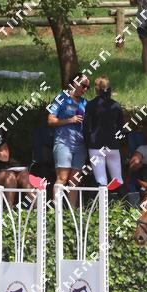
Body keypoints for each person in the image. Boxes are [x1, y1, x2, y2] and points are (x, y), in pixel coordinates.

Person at [47, 74, 89, 207]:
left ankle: (72, 212)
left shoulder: (85, 103)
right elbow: (50, 120)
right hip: (63, 143)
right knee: (62, 178)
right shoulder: (61, 98)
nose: (85, 89)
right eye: (83, 86)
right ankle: (56, 211)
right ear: (75, 83)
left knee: (74, 181)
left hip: (80, 145)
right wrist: (70, 120)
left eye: (87, 87)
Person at [83, 76, 124, 192]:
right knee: (118, 179)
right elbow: (121, 127)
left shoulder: (91, 105)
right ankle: (123, 201)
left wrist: (88, 143)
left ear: (96, 89)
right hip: (113, 145)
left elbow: (86, 127)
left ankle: (103, 202)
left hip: (95, 146)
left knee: (101, 180)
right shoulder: (116, 106)